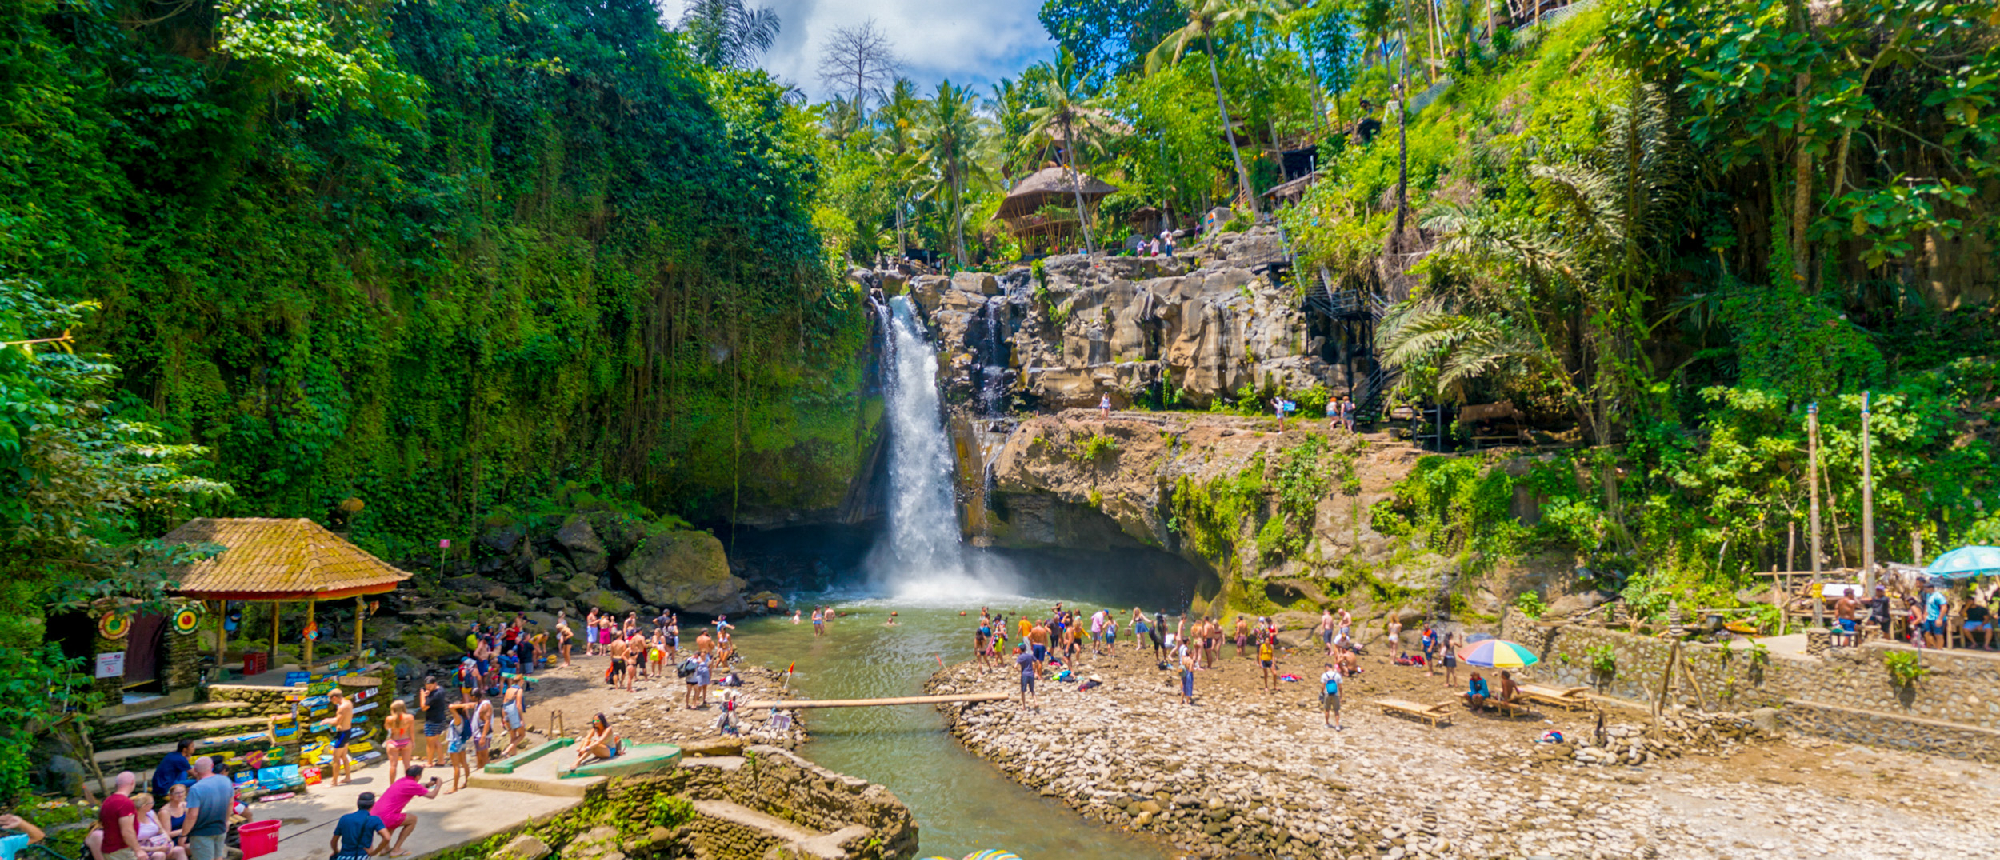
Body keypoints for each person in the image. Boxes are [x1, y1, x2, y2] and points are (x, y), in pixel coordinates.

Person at [372, 766, 443, 857]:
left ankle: (385, 848)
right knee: (413, 819)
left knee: (393, 821)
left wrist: (429, 784)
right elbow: (432, 795)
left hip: (374, 816)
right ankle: (396, 849)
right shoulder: (413, 785)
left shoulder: (401, 780)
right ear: (418, 776)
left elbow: (418, 787)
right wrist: (438, 785)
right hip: (387, 817)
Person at [181, 759, 232, 860]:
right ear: (212, 766)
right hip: (220, 829)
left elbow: (192, 815)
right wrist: (226, 821)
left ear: (195, 770)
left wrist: (183, 834)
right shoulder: (226, 780)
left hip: (201, 833)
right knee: (218, 857)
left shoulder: (196, 788)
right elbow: (230, 803)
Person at [328, 792, 386, 860]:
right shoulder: (374, 820)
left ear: (358, 804)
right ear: (373, 805)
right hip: (362, 856)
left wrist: (336, 851)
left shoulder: (345, 818)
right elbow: (387, 837)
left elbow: (334, 841)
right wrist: (374, 852)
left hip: (344, 856)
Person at [99, 772, 139, 860]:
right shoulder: (125, 802)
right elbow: (127, 831)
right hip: (121, 851)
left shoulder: (108, 800)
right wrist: (138, 850)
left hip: (109, 848)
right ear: (132, 782)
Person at [131, 794, 180, 860]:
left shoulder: (150, 813)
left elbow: (161, 830)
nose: (153, 805)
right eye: (151, 803)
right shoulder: (131, 820)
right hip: (142, 849)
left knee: (179, 850)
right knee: (159, 855)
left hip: (157, 843)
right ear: (144, 806)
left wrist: (169, 842)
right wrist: (156, 849)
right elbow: (133, 845)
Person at [325, 688, 355, 786]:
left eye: (331, 699)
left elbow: (337, 721)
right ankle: (347, 777)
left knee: (336, 758)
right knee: (343, 756)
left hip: (342, 734)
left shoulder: (342, 707)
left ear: (335, 697)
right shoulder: (348, 703)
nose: (331, 702)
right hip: (347, 731)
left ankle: (334, 782)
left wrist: (326, 721)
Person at [419, 676, 450, 768]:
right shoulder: (440, 690)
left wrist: (422, 695)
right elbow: (432, 694)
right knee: (436, 741)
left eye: (430, 686)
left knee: (430, 743)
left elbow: (423, 707)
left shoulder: (435, 695)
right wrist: (429, 692)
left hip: (433, 721)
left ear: (435, 684)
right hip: (440, 719)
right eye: (427, 686)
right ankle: (441, 760)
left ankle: (429, 762)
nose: (428, 688)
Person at [385, 699, 416, 777]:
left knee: (393, 765)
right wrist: (413, 742)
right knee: (407, 765)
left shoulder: (389, 718)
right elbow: (411, 731)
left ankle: (392, 786)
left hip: (393, 742)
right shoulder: (410, 717)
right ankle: (409, 784)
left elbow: (387, 729)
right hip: (406, 741)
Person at [157, 784, 188, 853]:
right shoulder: (165, 812)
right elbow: (166, 834)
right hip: (173, 840)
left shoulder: (185, 805)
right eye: (177, 793)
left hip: (185, 836)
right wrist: (184, 831)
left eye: (182, 792)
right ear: (171, 795)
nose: (180, 795)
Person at [500, 677, 526, 757]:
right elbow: (518, 705)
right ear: (521, 681)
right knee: (522, 734)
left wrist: (503, 718)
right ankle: (507, 751)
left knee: (513, 736)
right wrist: (521, 719)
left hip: (506, 713)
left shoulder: (508, 690)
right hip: (514, 714)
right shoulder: (519, 690)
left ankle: (513, 756)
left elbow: (503, 704)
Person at [1925, 582, 1949, 649]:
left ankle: (1939, 649)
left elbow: (1944, 607)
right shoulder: (1928, 595)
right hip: (1929, 618)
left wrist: (1940, 618)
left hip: (1937, 618)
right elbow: (1927, 606)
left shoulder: (1938, 596)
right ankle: (1933, 647)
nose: (1925, 590)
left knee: (1938, 634)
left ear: (1931, 588)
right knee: (1927, 633)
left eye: (1926, 588)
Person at [1319, 664, 1343, 730]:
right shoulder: (1337, 675)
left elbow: (1323, 686)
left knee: (1327, 709)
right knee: (1336, 710)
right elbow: (1340, 687)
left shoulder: (1324, 675)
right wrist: (1341, 695)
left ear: (1327, 667)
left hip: (1327, 694)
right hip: (1335, 694)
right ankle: (1337, 725)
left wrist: (1322, 693)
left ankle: (1327, 723)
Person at [1014, 644, 1036, 708]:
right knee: (1032, 690)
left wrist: (1018, 670)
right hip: (1031, 674)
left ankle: (1024, 706)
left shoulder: (1020, 657)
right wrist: (1034, 669)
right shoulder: (1030, 655)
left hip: (1024, 674)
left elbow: (1015, 666)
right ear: (1026, 649)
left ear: (1020, 650)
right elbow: (1036, 661)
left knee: (1023, 691)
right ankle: (1036, 702)